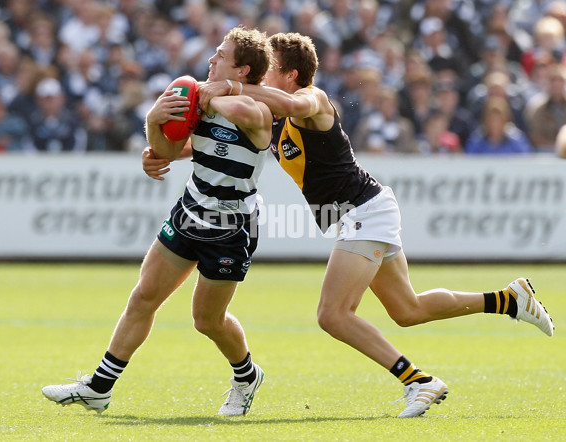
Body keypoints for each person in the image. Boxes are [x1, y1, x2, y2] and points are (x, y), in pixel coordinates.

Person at [143, 32, 555, 418]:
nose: (261, 73)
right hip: (359, 212)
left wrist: (230, 87)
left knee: (333, 314)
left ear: (290, 75)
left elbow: (294, 105)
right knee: (407, 310)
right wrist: (163, 153)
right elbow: (222, 143)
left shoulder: (312, 99)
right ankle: (509, 299)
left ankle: (419, 381)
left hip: (364, 211)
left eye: (270, 69)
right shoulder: (268, 114)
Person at [42, 26, 273, 417]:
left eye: (221, 56)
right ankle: (99, 387)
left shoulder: (258, 110)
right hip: (190, 210)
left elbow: (238, 111)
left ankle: (247, 376)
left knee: (206, 320)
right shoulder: (201, 94)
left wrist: (210, 93)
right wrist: (154, 123)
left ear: (244, 70)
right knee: (144, 296)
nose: (210, 60)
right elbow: (166, 149)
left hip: (231, 226)